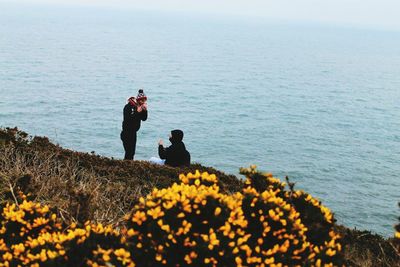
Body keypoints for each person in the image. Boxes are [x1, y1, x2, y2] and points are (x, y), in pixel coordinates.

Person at [120, 89, 148, 160]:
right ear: (138, 100)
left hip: (133, 133)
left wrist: (145, 110)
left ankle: (128, 167)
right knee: (129, 152)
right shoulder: (128, 107)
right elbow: (128, 119)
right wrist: (137, 112)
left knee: (132, 153)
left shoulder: (139, 107)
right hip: (126, 133)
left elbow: (144, 118)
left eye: (144, 101)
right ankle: (126, 167)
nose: (143, 102)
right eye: (142, 101)